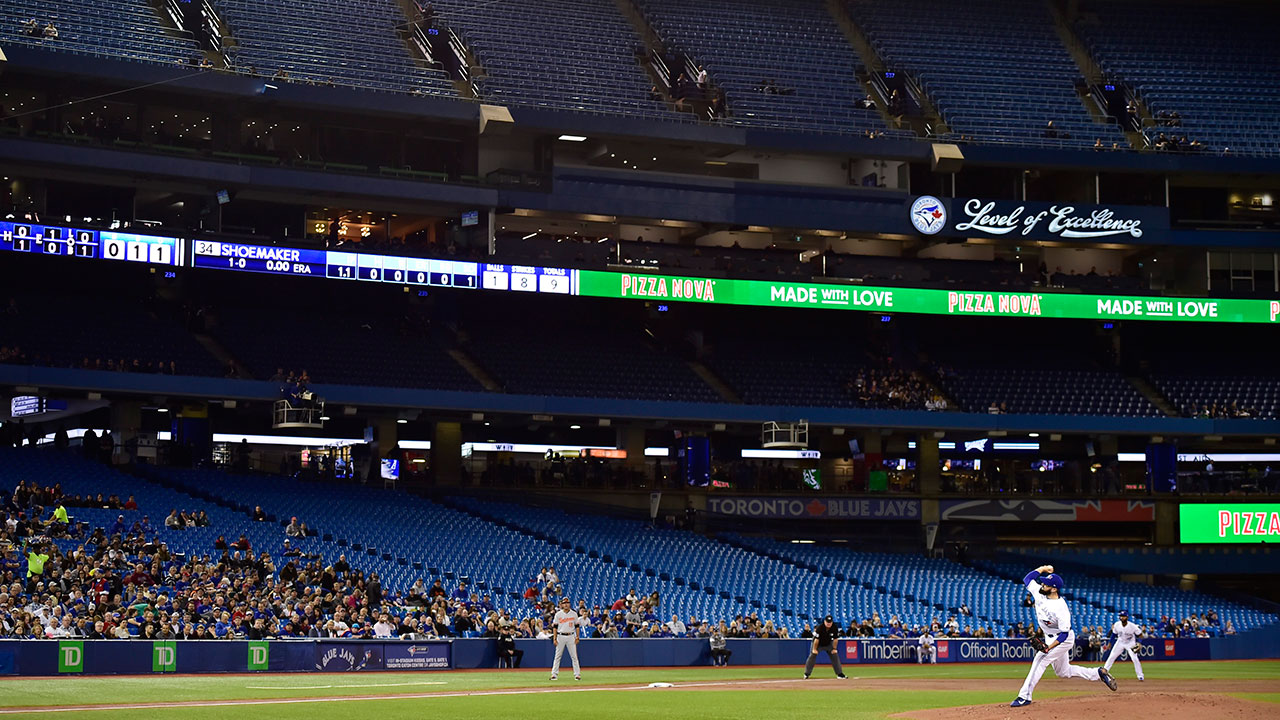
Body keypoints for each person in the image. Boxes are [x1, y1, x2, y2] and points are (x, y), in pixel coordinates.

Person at [1010, 564, 1116, 707]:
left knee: (1040, 660)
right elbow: (1028, 578)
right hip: (1050, 636)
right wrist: (1043, 569)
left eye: (1046, 584)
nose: (1042, 584)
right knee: (1063, 672)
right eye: (1043, 582)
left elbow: (1064, 634)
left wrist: (1048, 647)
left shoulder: (1061, 608)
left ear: (1054, 589)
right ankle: (1098, 673)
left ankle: (1024, 696)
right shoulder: (1039, 592)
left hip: (1062, 638)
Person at [1103, 610, 1145, 682]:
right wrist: (1109, 643)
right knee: (1111, 656)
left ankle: (1140, 676)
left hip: (1130, 643)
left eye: (1123, 616)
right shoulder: (1117, 624)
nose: (1122, 618)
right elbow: (1114, 634)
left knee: (1134, 658)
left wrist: (1139, 643)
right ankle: (1103, 673)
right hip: (1120, 642)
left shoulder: (1133, 626)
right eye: (1121, 616)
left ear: (1127, 617)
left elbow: (1140, 635)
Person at [803, 615, 848, 679]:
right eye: (827, 622)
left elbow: (835, 639)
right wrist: (814, 649)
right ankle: (806, 674)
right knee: (812, 655)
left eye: (830, 622)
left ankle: (840, 674)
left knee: (834, 655)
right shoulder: (820, 628)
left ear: (832, 622)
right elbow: (816, 640)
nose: (828, 623)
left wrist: (834, 648)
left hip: (828, 644)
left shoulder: (834, 628)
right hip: (818, 644)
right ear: (824, 621)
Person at [549, 597, 583, 680]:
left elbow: (577, 626)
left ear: (569, 604)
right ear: (562, 605)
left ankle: (577, 674)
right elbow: (555, 627)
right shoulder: (558, 614)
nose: (566, 605)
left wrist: (577, 636)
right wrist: (555, 638)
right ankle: (554, 674)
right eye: (564, 603)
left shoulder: (574, 614)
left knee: (574, 656)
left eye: (567, 603)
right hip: (560, 636)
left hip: (571, 635)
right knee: (557, 656)